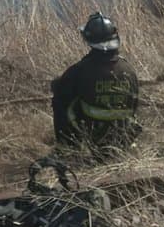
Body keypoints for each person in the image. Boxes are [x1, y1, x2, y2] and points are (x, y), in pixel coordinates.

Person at [51, 11, 140, 158]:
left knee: (60, 97)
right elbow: (134, 106)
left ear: (88, 40)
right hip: (123, 139)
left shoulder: (79, 71)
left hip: (92, 139)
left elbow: (62, 98)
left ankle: (68, 149)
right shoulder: (128, 69)